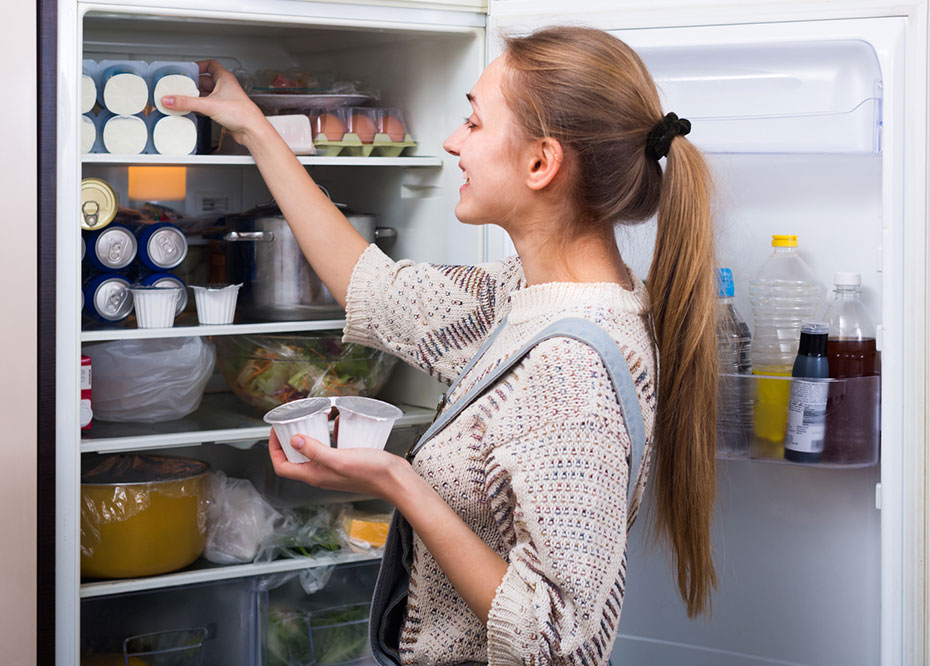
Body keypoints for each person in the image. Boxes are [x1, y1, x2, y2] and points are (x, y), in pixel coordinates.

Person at [166, 25, 717, 666]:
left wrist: (400, 482)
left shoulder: (572, 370)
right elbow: (374, 287)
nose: (454, 141)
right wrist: (255, 127)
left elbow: (551, 646)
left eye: (475, 124)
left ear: (541, 162)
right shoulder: (526, 295)